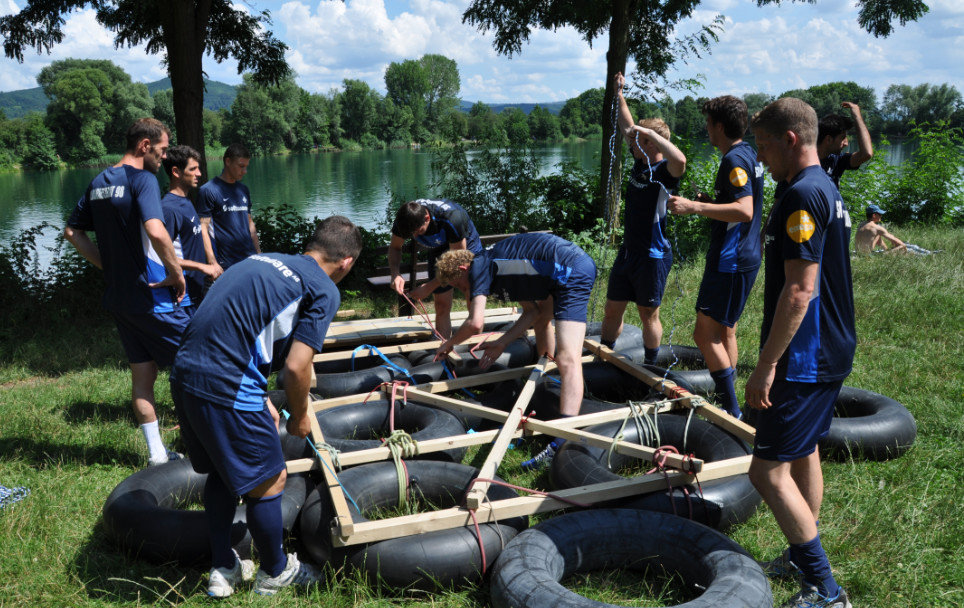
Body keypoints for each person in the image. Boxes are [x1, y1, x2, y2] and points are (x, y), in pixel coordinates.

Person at [170, 215, 362, 597]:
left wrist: (259, 397)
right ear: (346, 263)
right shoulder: (322, 288)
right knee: (270, 479)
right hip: (227, 384)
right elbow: (295, 367)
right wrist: (302, 416)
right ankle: (275, 571)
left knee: (224, 474)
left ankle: (223, 564)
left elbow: (233, 327)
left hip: (184, 374)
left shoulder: (261, 260)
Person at [747, 97, 856, 608]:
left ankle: (825, 589)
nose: (761, 159)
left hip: (804, 356)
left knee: (766, 471)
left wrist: (766, 366)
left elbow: (799, 291)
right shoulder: (825, 189)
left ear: (791, 139)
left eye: (765, 147)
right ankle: (799, 557)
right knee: (805, 447)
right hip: (830, 346)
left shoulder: (801, 196)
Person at [63, 117, 187, 467]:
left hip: (120, 299)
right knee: (196, 363)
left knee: (142, 377)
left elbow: (72, 232)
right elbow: (157, 230)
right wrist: (177, 273)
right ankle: (205, 441)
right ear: (144, 146)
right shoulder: (142, 179)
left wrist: (108, 266)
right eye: (162, 151)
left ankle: (158, 455)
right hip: (153, 296)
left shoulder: (99, 181)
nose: (163, 159)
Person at [433, 232, 596, 470]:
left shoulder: (479, 267)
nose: (463, 292)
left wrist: (448, 344)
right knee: (542, 323)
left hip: (571, 271)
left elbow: (475, 322)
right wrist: (502, 342)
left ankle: (561, 440)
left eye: (459, 285)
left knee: (568, 358)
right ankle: (548, 383)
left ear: (463, 268)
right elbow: (531, 313)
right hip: (556, 274)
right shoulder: (500, 274)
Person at [668, 95, 764, 419]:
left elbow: (744, 210)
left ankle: (731, 410)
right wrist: (712, 202)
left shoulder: (734, 161)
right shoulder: (749, 153)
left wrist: (694, 207)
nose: (706, 128)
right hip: (744, 256)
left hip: (731, 260)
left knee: (703, 333)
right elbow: (737, 204)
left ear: (719, 126)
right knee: (725, 332)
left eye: (708, 123)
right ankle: (732, 401)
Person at [600, 72, 686, 365]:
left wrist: (651, 136)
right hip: (628, 252)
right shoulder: (640, 162)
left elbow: (681, 161)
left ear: (652, 143)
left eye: (639, 139)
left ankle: (651, 366)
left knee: (648, 314)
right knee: (612, 309)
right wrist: (619, 94)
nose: (631, 141)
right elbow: (626, 124)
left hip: (652, 255)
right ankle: (605, 358)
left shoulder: (665, 173)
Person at [388, 199, 483, 338]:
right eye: (411, 235)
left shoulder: (451, 219)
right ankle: (443, 347)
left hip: (465, 245)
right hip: (438, 247)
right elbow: (395, 248)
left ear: (427, 218)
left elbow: (459, 262)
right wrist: (395, 274)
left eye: (418, 231)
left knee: (470, 295)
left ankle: (476, 346)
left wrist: (428, 287)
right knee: (441, 304)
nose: (415, 236)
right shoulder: (404, 220)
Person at [160, 145, 223, 308]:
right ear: (176, 172)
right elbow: (162, 256)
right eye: (193, 169)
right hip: (182, 296)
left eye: (198, 168)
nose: (199, 174)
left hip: (198, 290)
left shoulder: (186, 202)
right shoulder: (168, 209)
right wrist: (202, 267)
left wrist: (210, 265)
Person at [197, 143, 261, 272]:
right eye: (241, 166)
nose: (245, 171)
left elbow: (250, 223)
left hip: (249, 258)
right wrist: (212, 262)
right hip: (225, 262)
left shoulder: (243, 190)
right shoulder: (208, 190)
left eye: (246, 167)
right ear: (228, 161)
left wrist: (259, 254)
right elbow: (203, 228)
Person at [817, 102, 873, 189]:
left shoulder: (837, 160)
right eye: (843, 138)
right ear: (828, 140)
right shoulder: (804, 162)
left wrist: (857, 116)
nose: (846, 144)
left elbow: (866, 154)